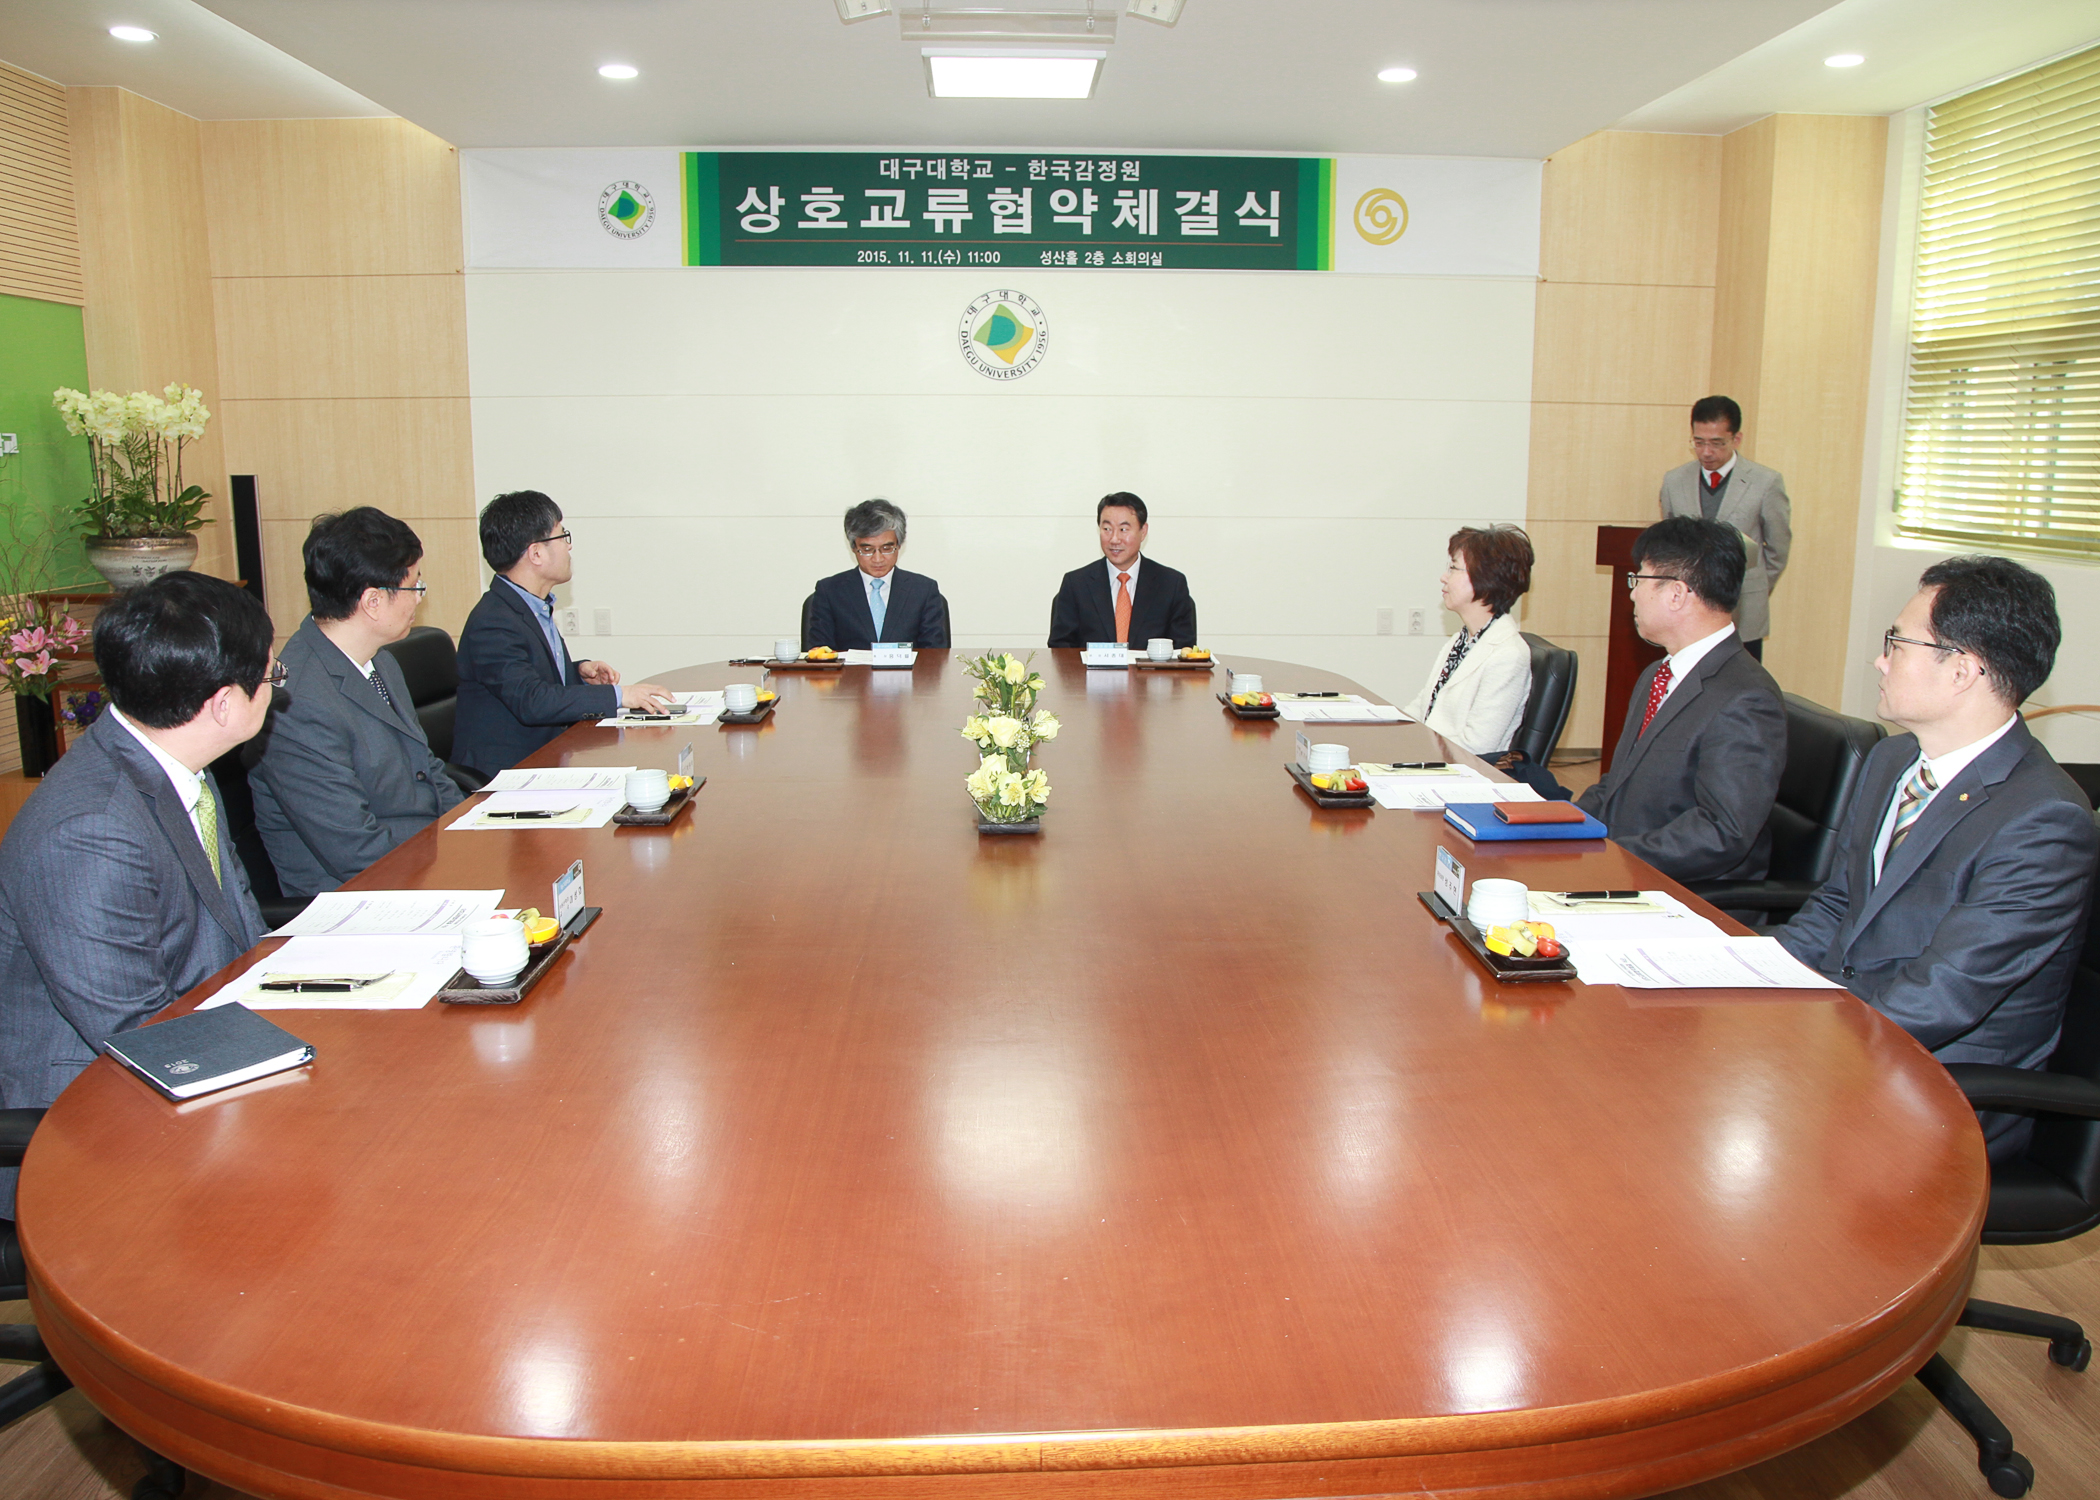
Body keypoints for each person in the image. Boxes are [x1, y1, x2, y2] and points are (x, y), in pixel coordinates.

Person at [1775, 557, 2097, 1163]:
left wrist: (1801, 1039)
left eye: (1896, 642)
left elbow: (1943, 995)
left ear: (1962, 671)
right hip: (1852, 1035)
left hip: (1941, 1089)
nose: (1880, 661)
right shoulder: (1892, 761)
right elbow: (1838, 905)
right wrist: (1748, 977)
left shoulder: (2043, 820)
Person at [0, 572, 276, 1215]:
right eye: (272, 676)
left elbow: (238, 931)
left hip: (196, 1049)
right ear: (224, 704)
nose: (277, 690)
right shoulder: (90, 829)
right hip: (92, 1130)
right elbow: (137, 1035)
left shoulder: (176, 767)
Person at [249, 508, 465, 898]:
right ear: (373, 601)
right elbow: (356, 852)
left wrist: (473, 832)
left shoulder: (380, 660)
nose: (420, 597)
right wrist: (452, 871)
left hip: (420, 863)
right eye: (414, 586)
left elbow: (427, 768)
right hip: (361, 897)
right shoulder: (297, 703)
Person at [1577, 515, 1785, 881]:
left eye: (1639, 580)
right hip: (1626, 865)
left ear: (1676, 593)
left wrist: (1614, 858)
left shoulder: (1746, 699)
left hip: (1679, 889)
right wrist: (1562, 826)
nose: (1632, 594)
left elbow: (1722, 831)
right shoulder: (1656, 675)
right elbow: (1617, 784)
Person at [454, 491, 673, 776]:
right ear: (536, 553)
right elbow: (532, 701)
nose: (569, 546)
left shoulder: (530, 606)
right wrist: (620, 695)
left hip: (549, 758)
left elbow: (526, 675)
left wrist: (577, 672)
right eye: (562, 536)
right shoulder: (493, 621)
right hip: (509, 774)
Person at [1659, 395, 1790, 661]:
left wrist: (1756, 585)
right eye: (1699, 442)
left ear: (1736, 439)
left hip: (1743, 608)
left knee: (1741, 681)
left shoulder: (1765, 482)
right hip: (1687, 609)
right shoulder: (1674, 481)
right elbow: (1670, 546)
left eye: (1717, 443)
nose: (1707, 452)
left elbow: (1778, 548)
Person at [1401, 525, 1533, 757]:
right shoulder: (1461, 641)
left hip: (1460, 768)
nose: (1444, 577)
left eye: (1453, 568)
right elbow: (1423, 706)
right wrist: (1391, 730)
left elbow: (1477, 746)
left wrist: (1411, 748)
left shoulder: (1508, 655)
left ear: (1486, 578)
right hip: (1432, 756)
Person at [1047, 492, 1197, 649]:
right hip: (1089, 667)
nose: (1114, 539)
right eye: (1107, 529)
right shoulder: (1076, 584)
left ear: (1143, 531)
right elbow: (1060, 649)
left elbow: (1183, 650)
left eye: (1123, 529)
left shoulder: (1171, 585)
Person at [804, 499, 951, 651]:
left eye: (887, 549)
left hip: (912, 668)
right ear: (853, 547)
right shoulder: (830, 591)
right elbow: (820, 652)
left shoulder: (923, 591)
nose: (878, 559)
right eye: (867, 550)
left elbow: (934, 655)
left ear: (899, 545)